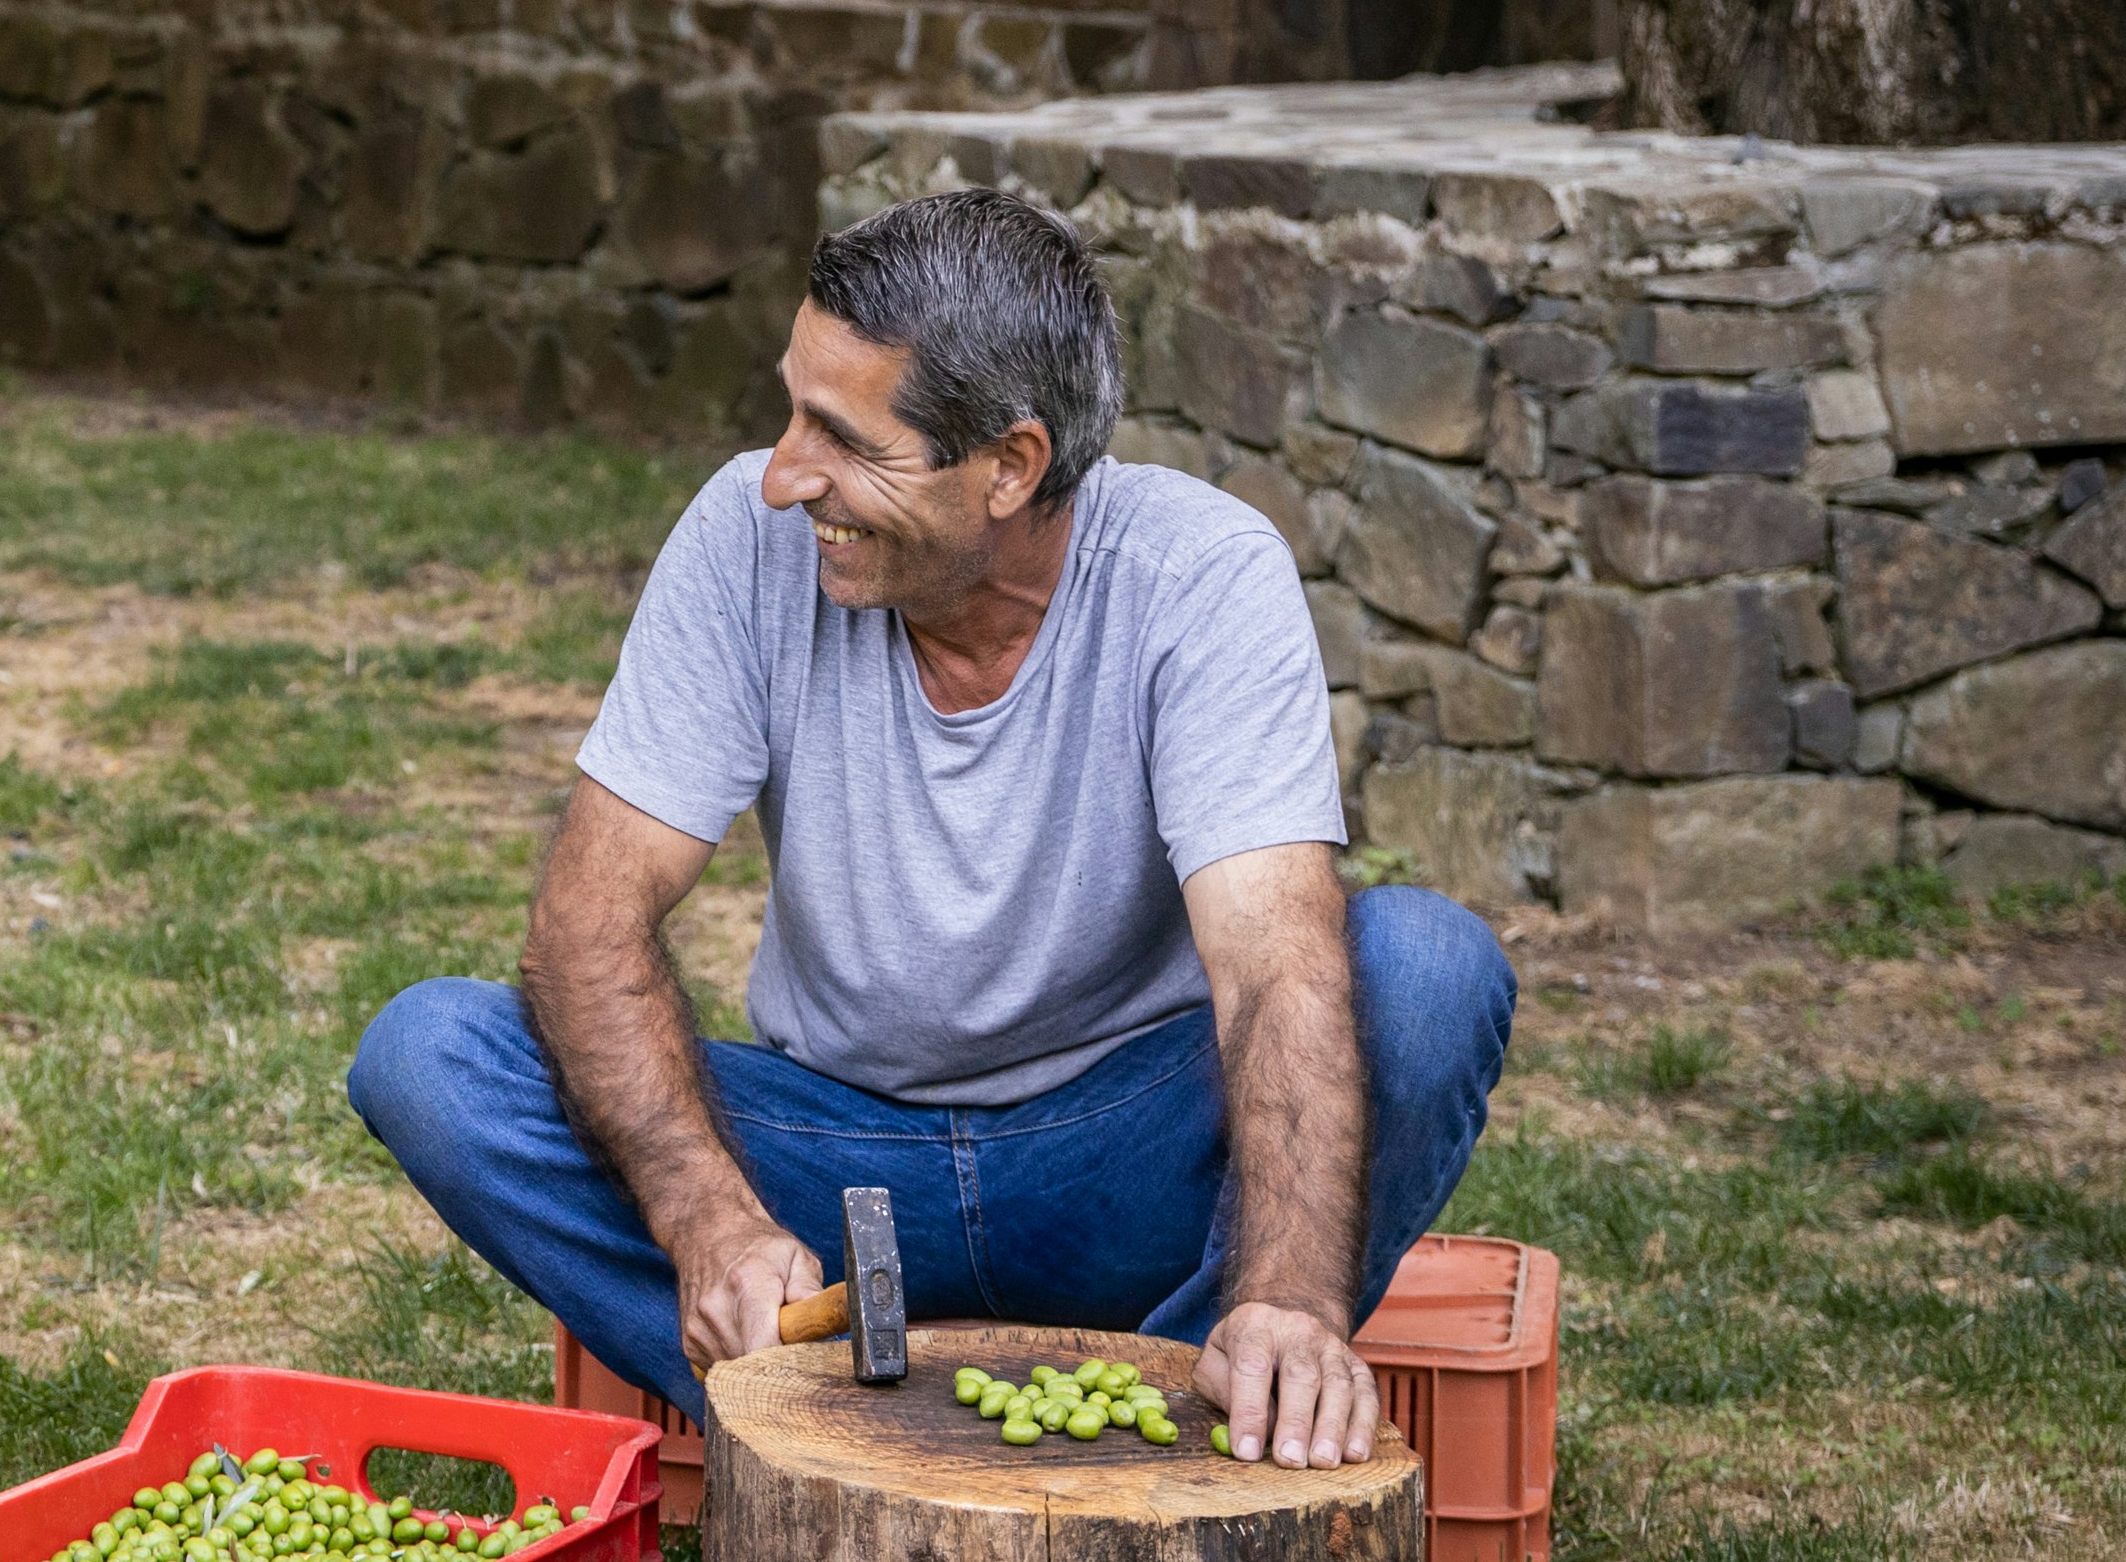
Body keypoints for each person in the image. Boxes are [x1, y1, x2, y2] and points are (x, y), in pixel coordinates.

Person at [349, 183, 1510, 1470]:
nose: (784, 477)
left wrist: (1287, 1296)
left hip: (1122, 1161)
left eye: (846, 441)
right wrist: (710, 1220)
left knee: (1425, 970)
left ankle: (1161, 1439)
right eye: (791, 411)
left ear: (1009, 466)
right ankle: (833, 1445)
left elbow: (1272, 964)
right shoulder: (746, 539)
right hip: (829, 1163)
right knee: (431, 1057)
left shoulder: (1197, 574)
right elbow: (586, 923)